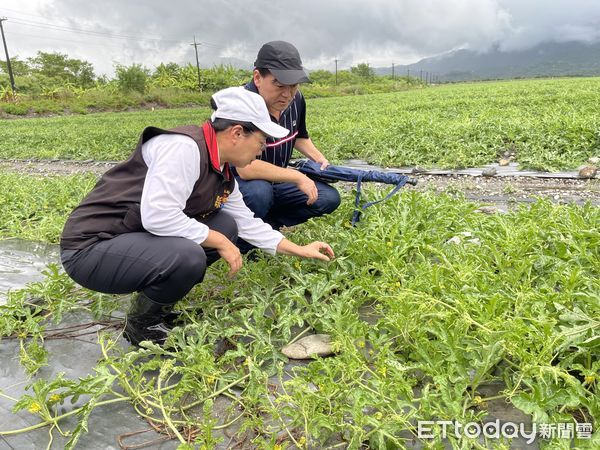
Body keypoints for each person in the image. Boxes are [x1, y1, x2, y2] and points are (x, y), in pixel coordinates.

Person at [60, 86, 334, 346]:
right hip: (91, 249)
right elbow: (157, 216)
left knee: (226, 225)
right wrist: (218, 241)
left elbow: (246, 222)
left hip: (130, 239)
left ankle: (159, 306)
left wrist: (299, 250)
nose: (261, 150)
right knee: (189, 254)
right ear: (237, 133)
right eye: (261, 141)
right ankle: (141, 327)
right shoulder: (184, 148)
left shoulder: (222, 168)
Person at [235, 41, 341, 253]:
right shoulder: (240, 104)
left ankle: (269, 224)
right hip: (241, 184)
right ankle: (246, 243)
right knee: (259, 192)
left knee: (328, 198)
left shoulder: (296, 100)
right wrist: (298, 177)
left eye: (294, 85)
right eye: (279, 84)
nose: (287, 94)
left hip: (279, 178)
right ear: (257, 78)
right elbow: (245, 169)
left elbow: (299, 136)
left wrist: (319, 159)